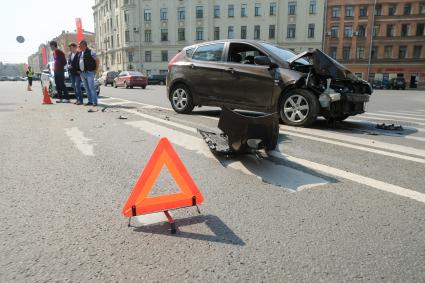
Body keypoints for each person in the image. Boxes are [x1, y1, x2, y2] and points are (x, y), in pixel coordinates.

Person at [78, 40, 99, 106]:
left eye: (80, 45)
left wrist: (96, 70)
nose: (79, 46)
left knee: (91, 87)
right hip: (82, 73)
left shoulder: (91, 51)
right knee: (86, 88)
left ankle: (94, 102)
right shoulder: (80, 53)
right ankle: (90, 101)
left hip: (89, 72)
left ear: (84, 45)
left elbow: (97, 60)